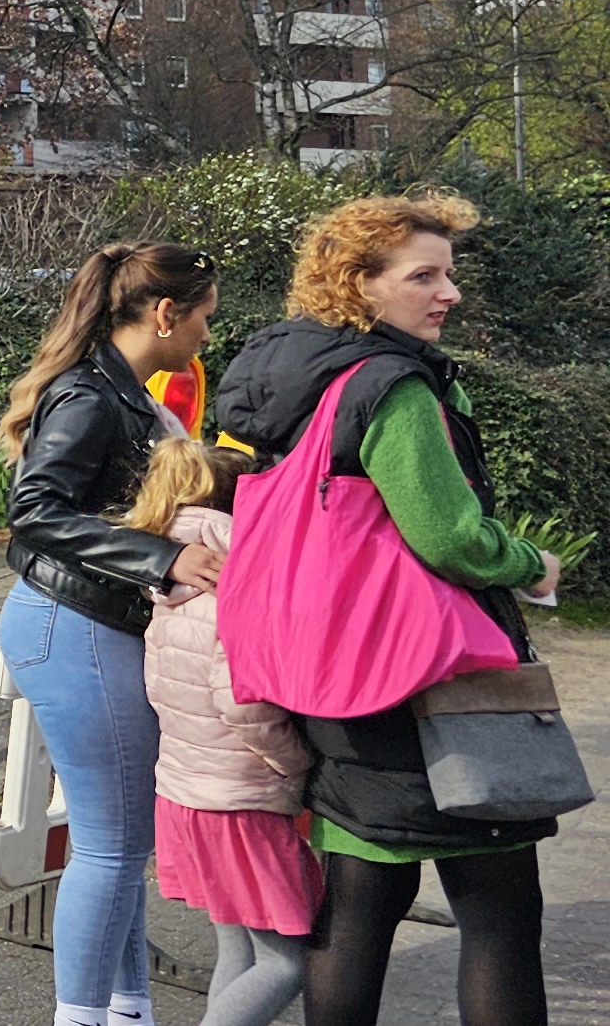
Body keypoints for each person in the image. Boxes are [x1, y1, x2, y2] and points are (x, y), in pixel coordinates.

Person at [212, 191, 560, 1026]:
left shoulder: (284, 373)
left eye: (449, 273)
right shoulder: (391, 387)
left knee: (360, 906)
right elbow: (451, 538)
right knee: (502, 913)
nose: (450, 293)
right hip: (427, 680)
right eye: (424, 276)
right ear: (358, 283)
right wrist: (531, 562)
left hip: (327, 668)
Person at [0, 240, 227, 1026]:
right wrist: (164, 558)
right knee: (112, 846)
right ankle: (85, 1015)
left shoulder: (114, 386)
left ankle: (127, 1008)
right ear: (166, 313)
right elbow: (33, 512)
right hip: (77, 627)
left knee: (121, 843)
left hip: (79, 624)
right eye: (203, 316)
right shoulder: (94, 395)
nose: (206, 333)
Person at [131, 435, 314, 1026]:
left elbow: (161, 687)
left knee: (238, 948)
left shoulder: (170, 581)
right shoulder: (233, 584)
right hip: (243, 800)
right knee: (288, 962)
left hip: (187, 792)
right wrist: (298, 762)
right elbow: (244, 707)